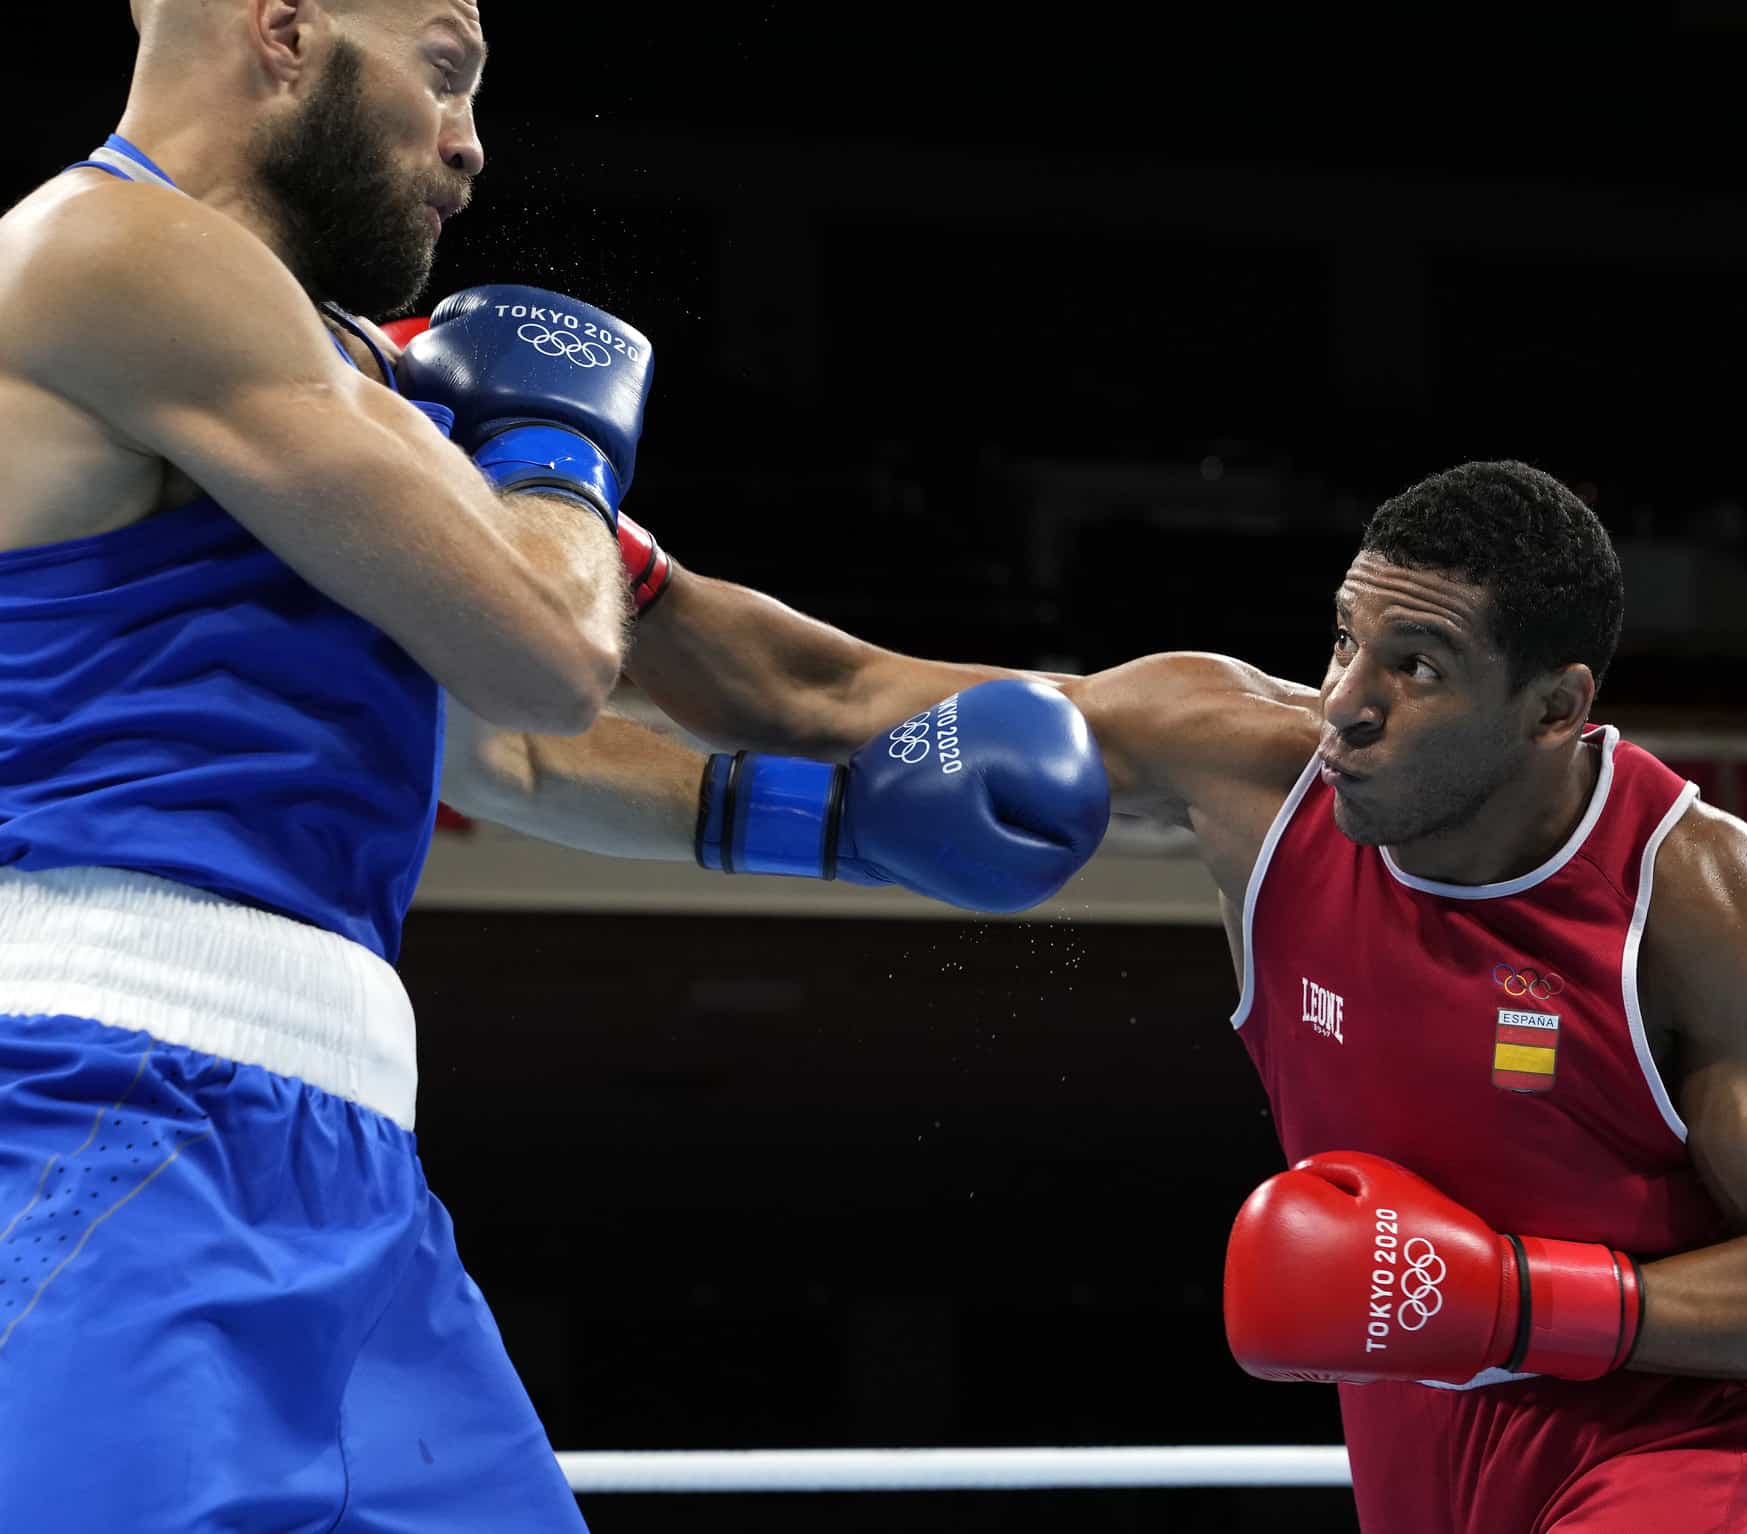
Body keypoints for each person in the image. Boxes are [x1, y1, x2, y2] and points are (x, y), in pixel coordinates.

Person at [0, 3, 1106, 1530]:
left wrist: (848, 827)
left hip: (347, 1157)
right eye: (444, 72)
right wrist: (556, 451)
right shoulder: (111, 251)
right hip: (94, 1108)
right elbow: (548, 643)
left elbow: (507, 743)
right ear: (283, 30)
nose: (469, 145)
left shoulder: (332, 368)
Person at [584, 458, 1747, 1531]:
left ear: (1555, 711)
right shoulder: (1246, 767)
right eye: (1344, 638)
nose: (1347, 705)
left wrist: (1511, 1299)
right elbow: (830, 695)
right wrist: (589, 536)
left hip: (1673, 1439)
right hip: (1413, 1437)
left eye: (1418, 668)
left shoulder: (1704, 896)